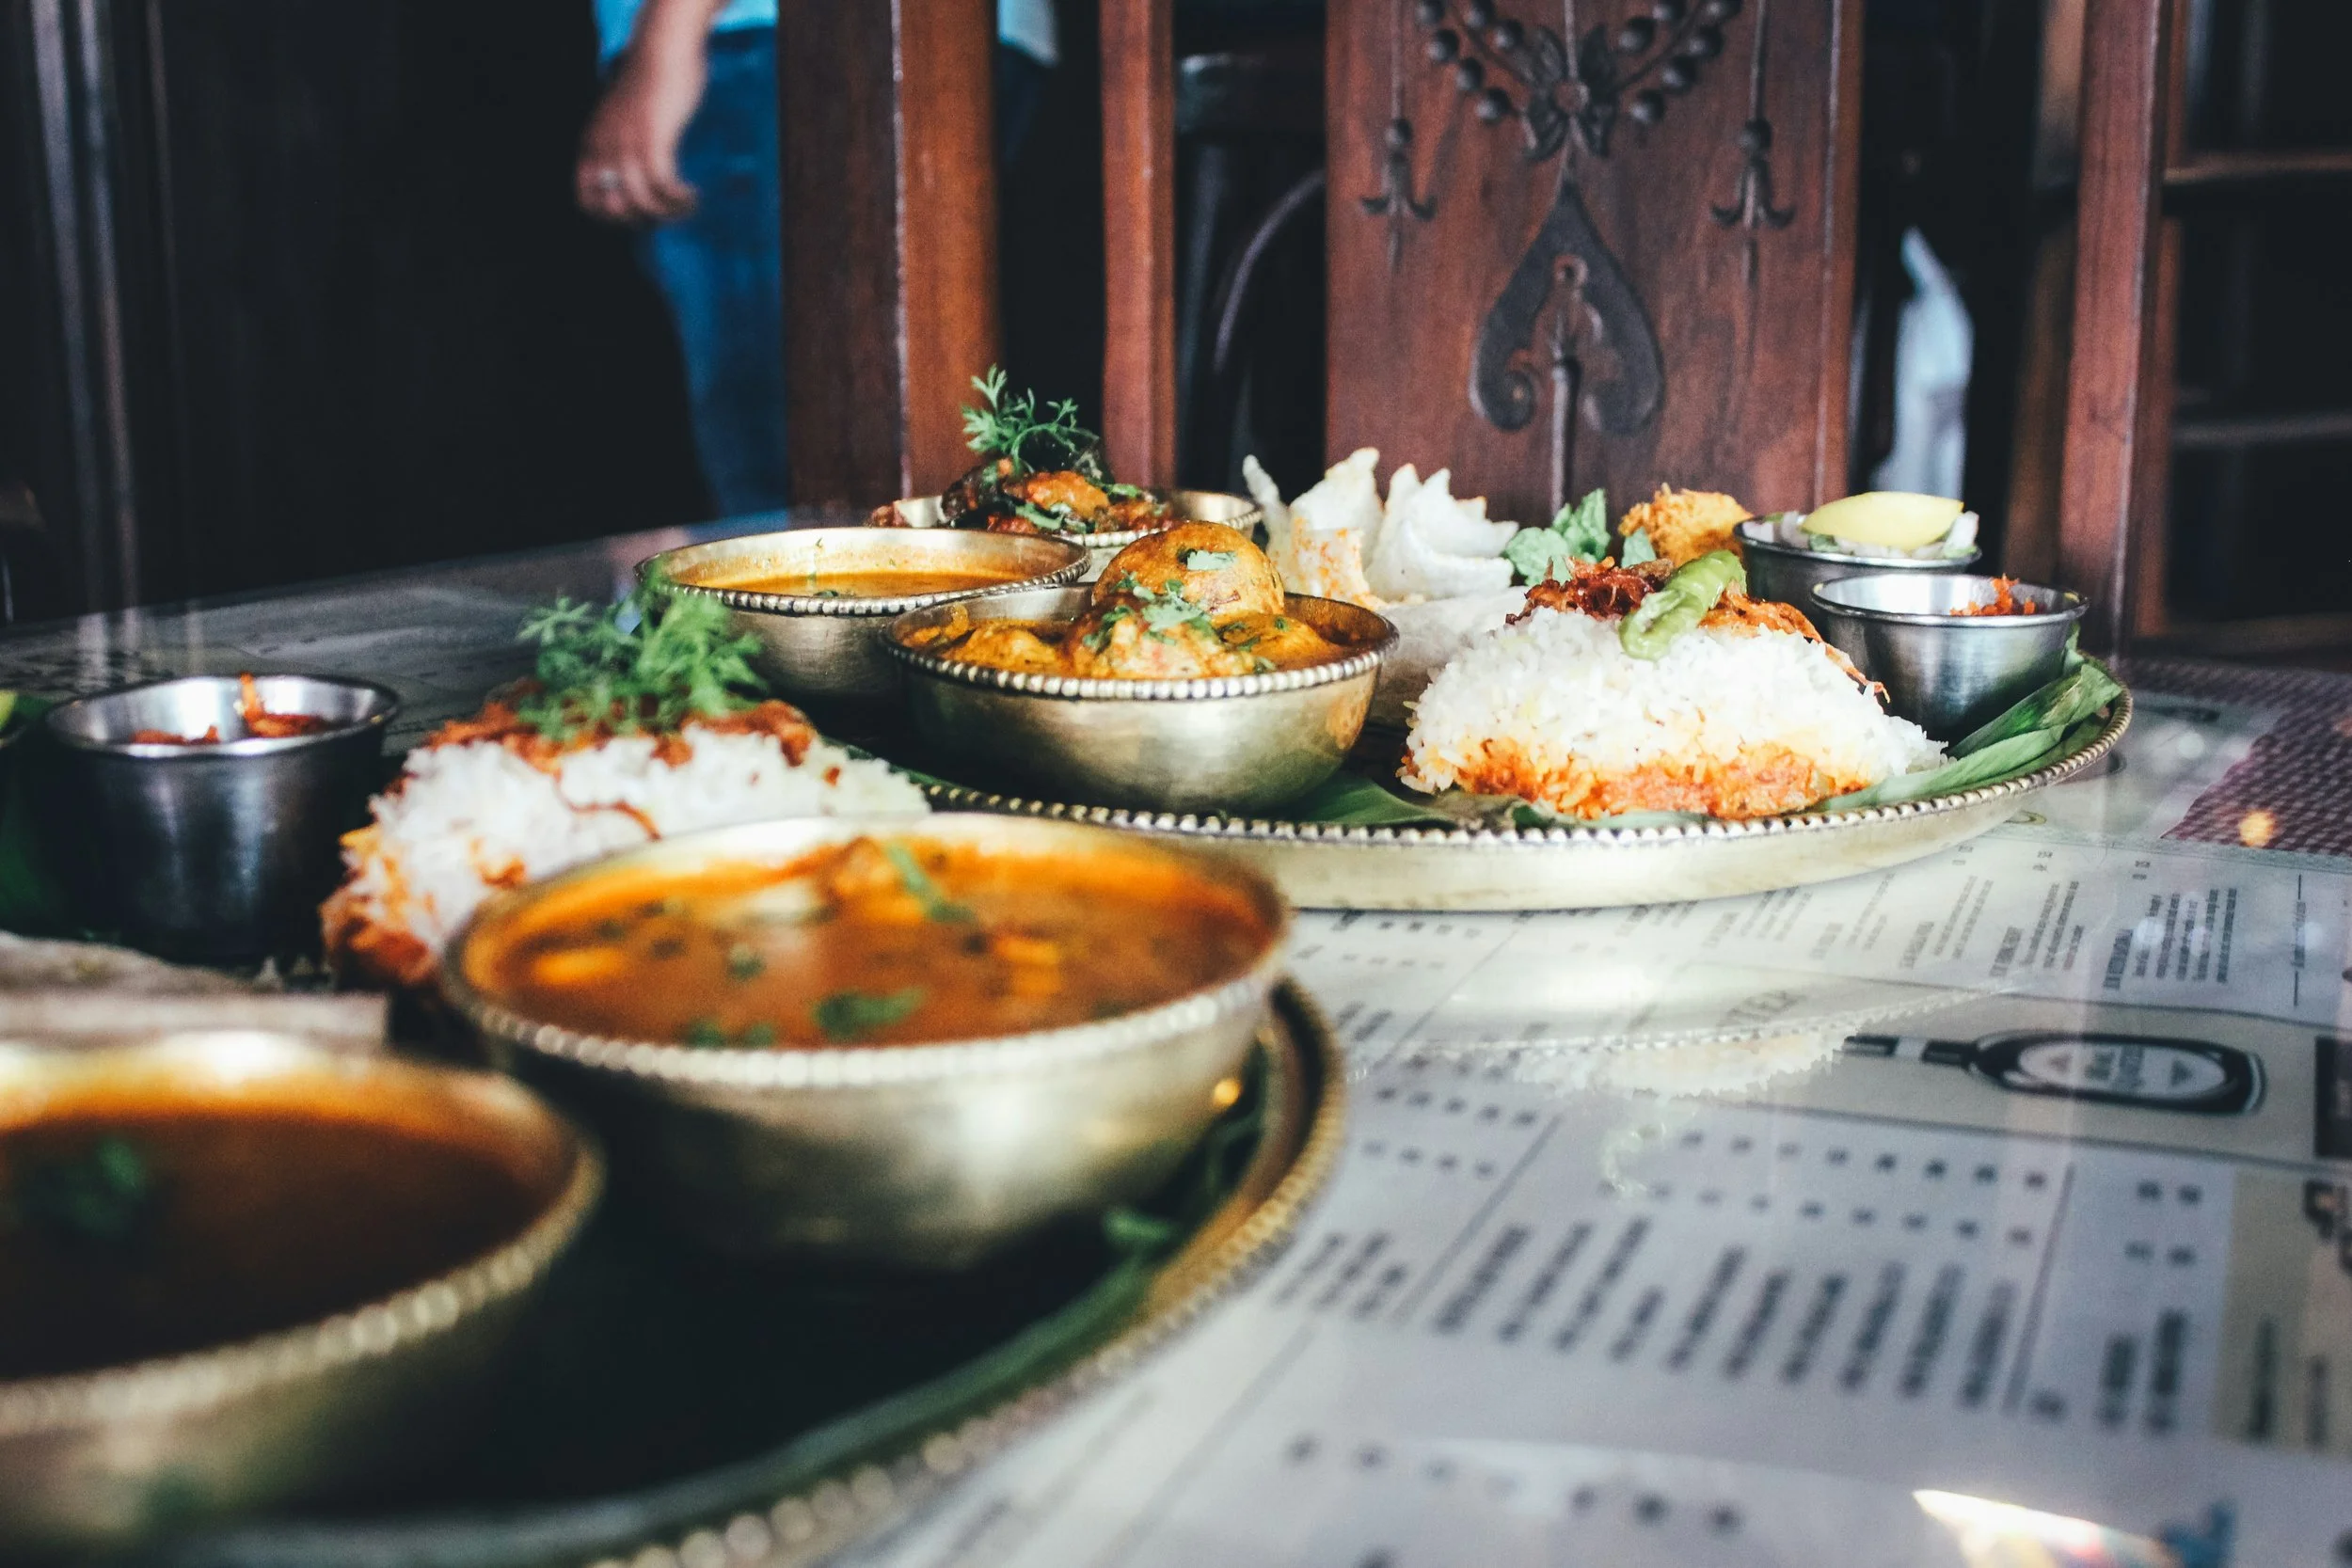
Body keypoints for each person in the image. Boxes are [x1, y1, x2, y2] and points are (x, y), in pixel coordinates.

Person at [575, 1, 1059, 519]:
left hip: (779, 35)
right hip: (931, 34)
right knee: (891, 460)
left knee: (786, 495)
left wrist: (668, 34)